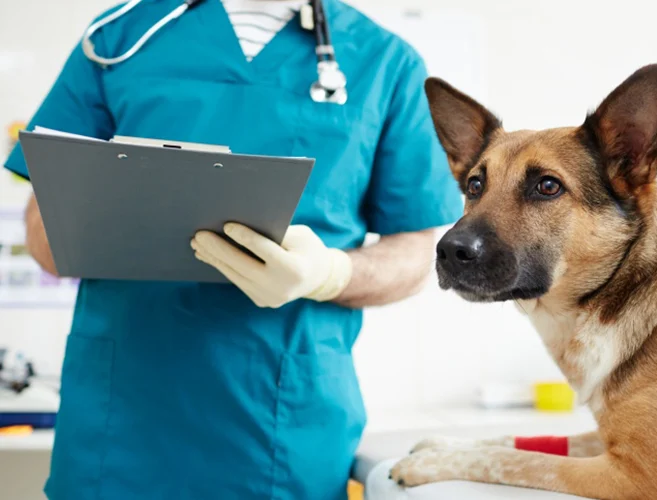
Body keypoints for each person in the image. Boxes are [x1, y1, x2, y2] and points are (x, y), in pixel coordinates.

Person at [4, 0, 463, 498]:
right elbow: (43, 230)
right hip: (120, 427)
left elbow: (419, 250)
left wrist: (330, 273)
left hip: (282, 428)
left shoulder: (383, 60)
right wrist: (115, 226)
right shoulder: (118, 38)